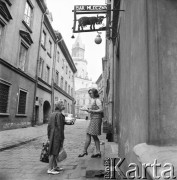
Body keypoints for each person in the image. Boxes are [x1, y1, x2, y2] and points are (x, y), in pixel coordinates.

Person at [78, 88, 103, 158]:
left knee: (89, 134)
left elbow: (101, 110)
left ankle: (84, 151)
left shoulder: (97, 100)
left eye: (91, 93)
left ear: (95, 93)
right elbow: (94, 110)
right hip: (94, 119)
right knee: (94, 136)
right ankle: (98, 152)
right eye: (89, 93)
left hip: (96, 119)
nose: (89, 95)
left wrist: (91, 110)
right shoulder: (94, 100)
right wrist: (88, 110)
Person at [47, 100, 68, 175]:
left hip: (52, 134)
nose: (63, 106)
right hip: (57, 135)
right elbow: (60, 127)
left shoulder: (52, 114)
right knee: (53, 152)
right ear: (58, 106)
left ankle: (55, 166)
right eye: (62, 104)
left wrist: (49, 136)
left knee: (54, 151)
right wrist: (62, 138)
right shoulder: (59, 115)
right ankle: (50, 169)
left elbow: (49, 126)